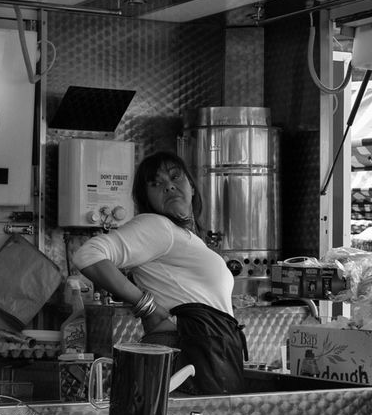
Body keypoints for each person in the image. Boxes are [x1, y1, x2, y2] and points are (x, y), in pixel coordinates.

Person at [72, 151, 246, 395]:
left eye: (175, 177)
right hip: (188, 352)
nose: (169, 186)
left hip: (211, 353)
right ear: (147, 198)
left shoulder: (184, 237)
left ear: (192, 186)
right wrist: (146, 305)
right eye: (156, 183)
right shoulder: (158, 226)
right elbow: (88, 255)